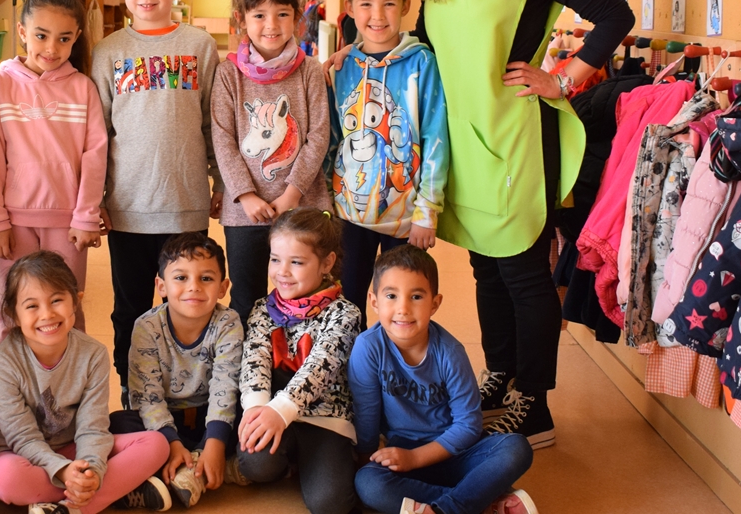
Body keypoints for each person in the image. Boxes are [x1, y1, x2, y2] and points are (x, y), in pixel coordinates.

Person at [412, 0, 634, 446]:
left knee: (524, 272)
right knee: (485, 267)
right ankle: (502, 374)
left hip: (516, 137)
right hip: (462, 139)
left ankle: (534, 405)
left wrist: (564, 79)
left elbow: (615, 14)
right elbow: (426, 44)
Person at [90, 0, 224, 397]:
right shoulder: (108, 51)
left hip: (185, 206)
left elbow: (212, 122)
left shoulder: (200, 46)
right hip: (128, 208)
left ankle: (186, 395)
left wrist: (220, 180)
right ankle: (134, 395)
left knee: (188, 307)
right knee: (130, 309)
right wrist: (95, 197)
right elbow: (97, 134)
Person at [350, 245, 536, 514]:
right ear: (374, 301)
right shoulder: (368, 347)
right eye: (391, 296)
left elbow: (469, 425)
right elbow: (366, 414)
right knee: (368, 483)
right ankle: (483, 503)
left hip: (456, 453)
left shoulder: (450, 352)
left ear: (434, 304)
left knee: (516, 447)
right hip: (402, 453)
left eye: (416, 297)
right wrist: (367, 463)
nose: (403, 308)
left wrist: (416, 458)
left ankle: (445, 509)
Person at [0, 251, 172, 514]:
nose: (47, 314)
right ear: (13, 313)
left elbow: (92, 427)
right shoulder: (2, 362)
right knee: (4, 478)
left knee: (156, 445)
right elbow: (21, 437)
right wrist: (63, 471)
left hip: (73, 449)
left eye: (56, 300)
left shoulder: (92, 354)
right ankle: (110, 493)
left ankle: (66, 507)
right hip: (21, 455)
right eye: (32, 306)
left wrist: (91, 469)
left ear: (76, 301)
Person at [0, 0, 107, 343]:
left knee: (67, 309)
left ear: (77, 37)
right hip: (14, 223)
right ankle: (8, 379)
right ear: (22, 32)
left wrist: (86, 216)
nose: (52, 48)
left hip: (68, 224)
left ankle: (70, 378)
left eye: (64, 39)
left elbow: (95, 155)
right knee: (12, 310)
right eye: (41, 36)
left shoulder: (83, 88)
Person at [212, 0, 332, 326]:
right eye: (259, 15)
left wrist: (292, 194)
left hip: (303, 207)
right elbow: (223, 138)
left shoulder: (310, 70)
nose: (271, 25)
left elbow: (318, 136)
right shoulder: (228, 74)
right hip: (244, 214)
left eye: (282, 14)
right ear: (241, 18)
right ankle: (251, 362)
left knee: (308, 296)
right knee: (246, 299)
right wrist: (246, 195)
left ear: (297, 17)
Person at [327, 0, 449, 314]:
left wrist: (427, 211)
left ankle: (395, 355)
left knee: (401, 307)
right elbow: (331, 140)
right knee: (347, 304)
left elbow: (436, 138)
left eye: (389, 4)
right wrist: (326, 205)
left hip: (406, 219)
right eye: (366, 4)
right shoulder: (340, 68)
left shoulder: (422, 64)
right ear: (350, 8)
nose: (377, 15)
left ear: (406, 6)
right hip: (348, 215)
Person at [237, 208, 360, 514]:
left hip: (325, 419)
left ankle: (324, 461)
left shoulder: (345, 314)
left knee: (329, 504)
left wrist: (281, 411)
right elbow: (254, 358)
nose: (282, 272)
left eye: (296, 262)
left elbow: (320, 367)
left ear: (327, 263)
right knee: (254, 464)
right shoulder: (264, 308)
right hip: (274, 411)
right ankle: (293, 460)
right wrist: (255, 409)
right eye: (275, 259)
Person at [110, 233, 245, 508]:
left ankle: (189, 469)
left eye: (206, 278)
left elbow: (226, 386)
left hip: (210, 418)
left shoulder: (228, 323)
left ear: (223, 287)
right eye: (181, 278)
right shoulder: (146, 327)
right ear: (161, 286)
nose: (193, 287)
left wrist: (215, 443)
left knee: (249, 420)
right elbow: (147, 396)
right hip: (165, 422)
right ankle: (190, 466)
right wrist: (171, 443)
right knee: (116, 424)